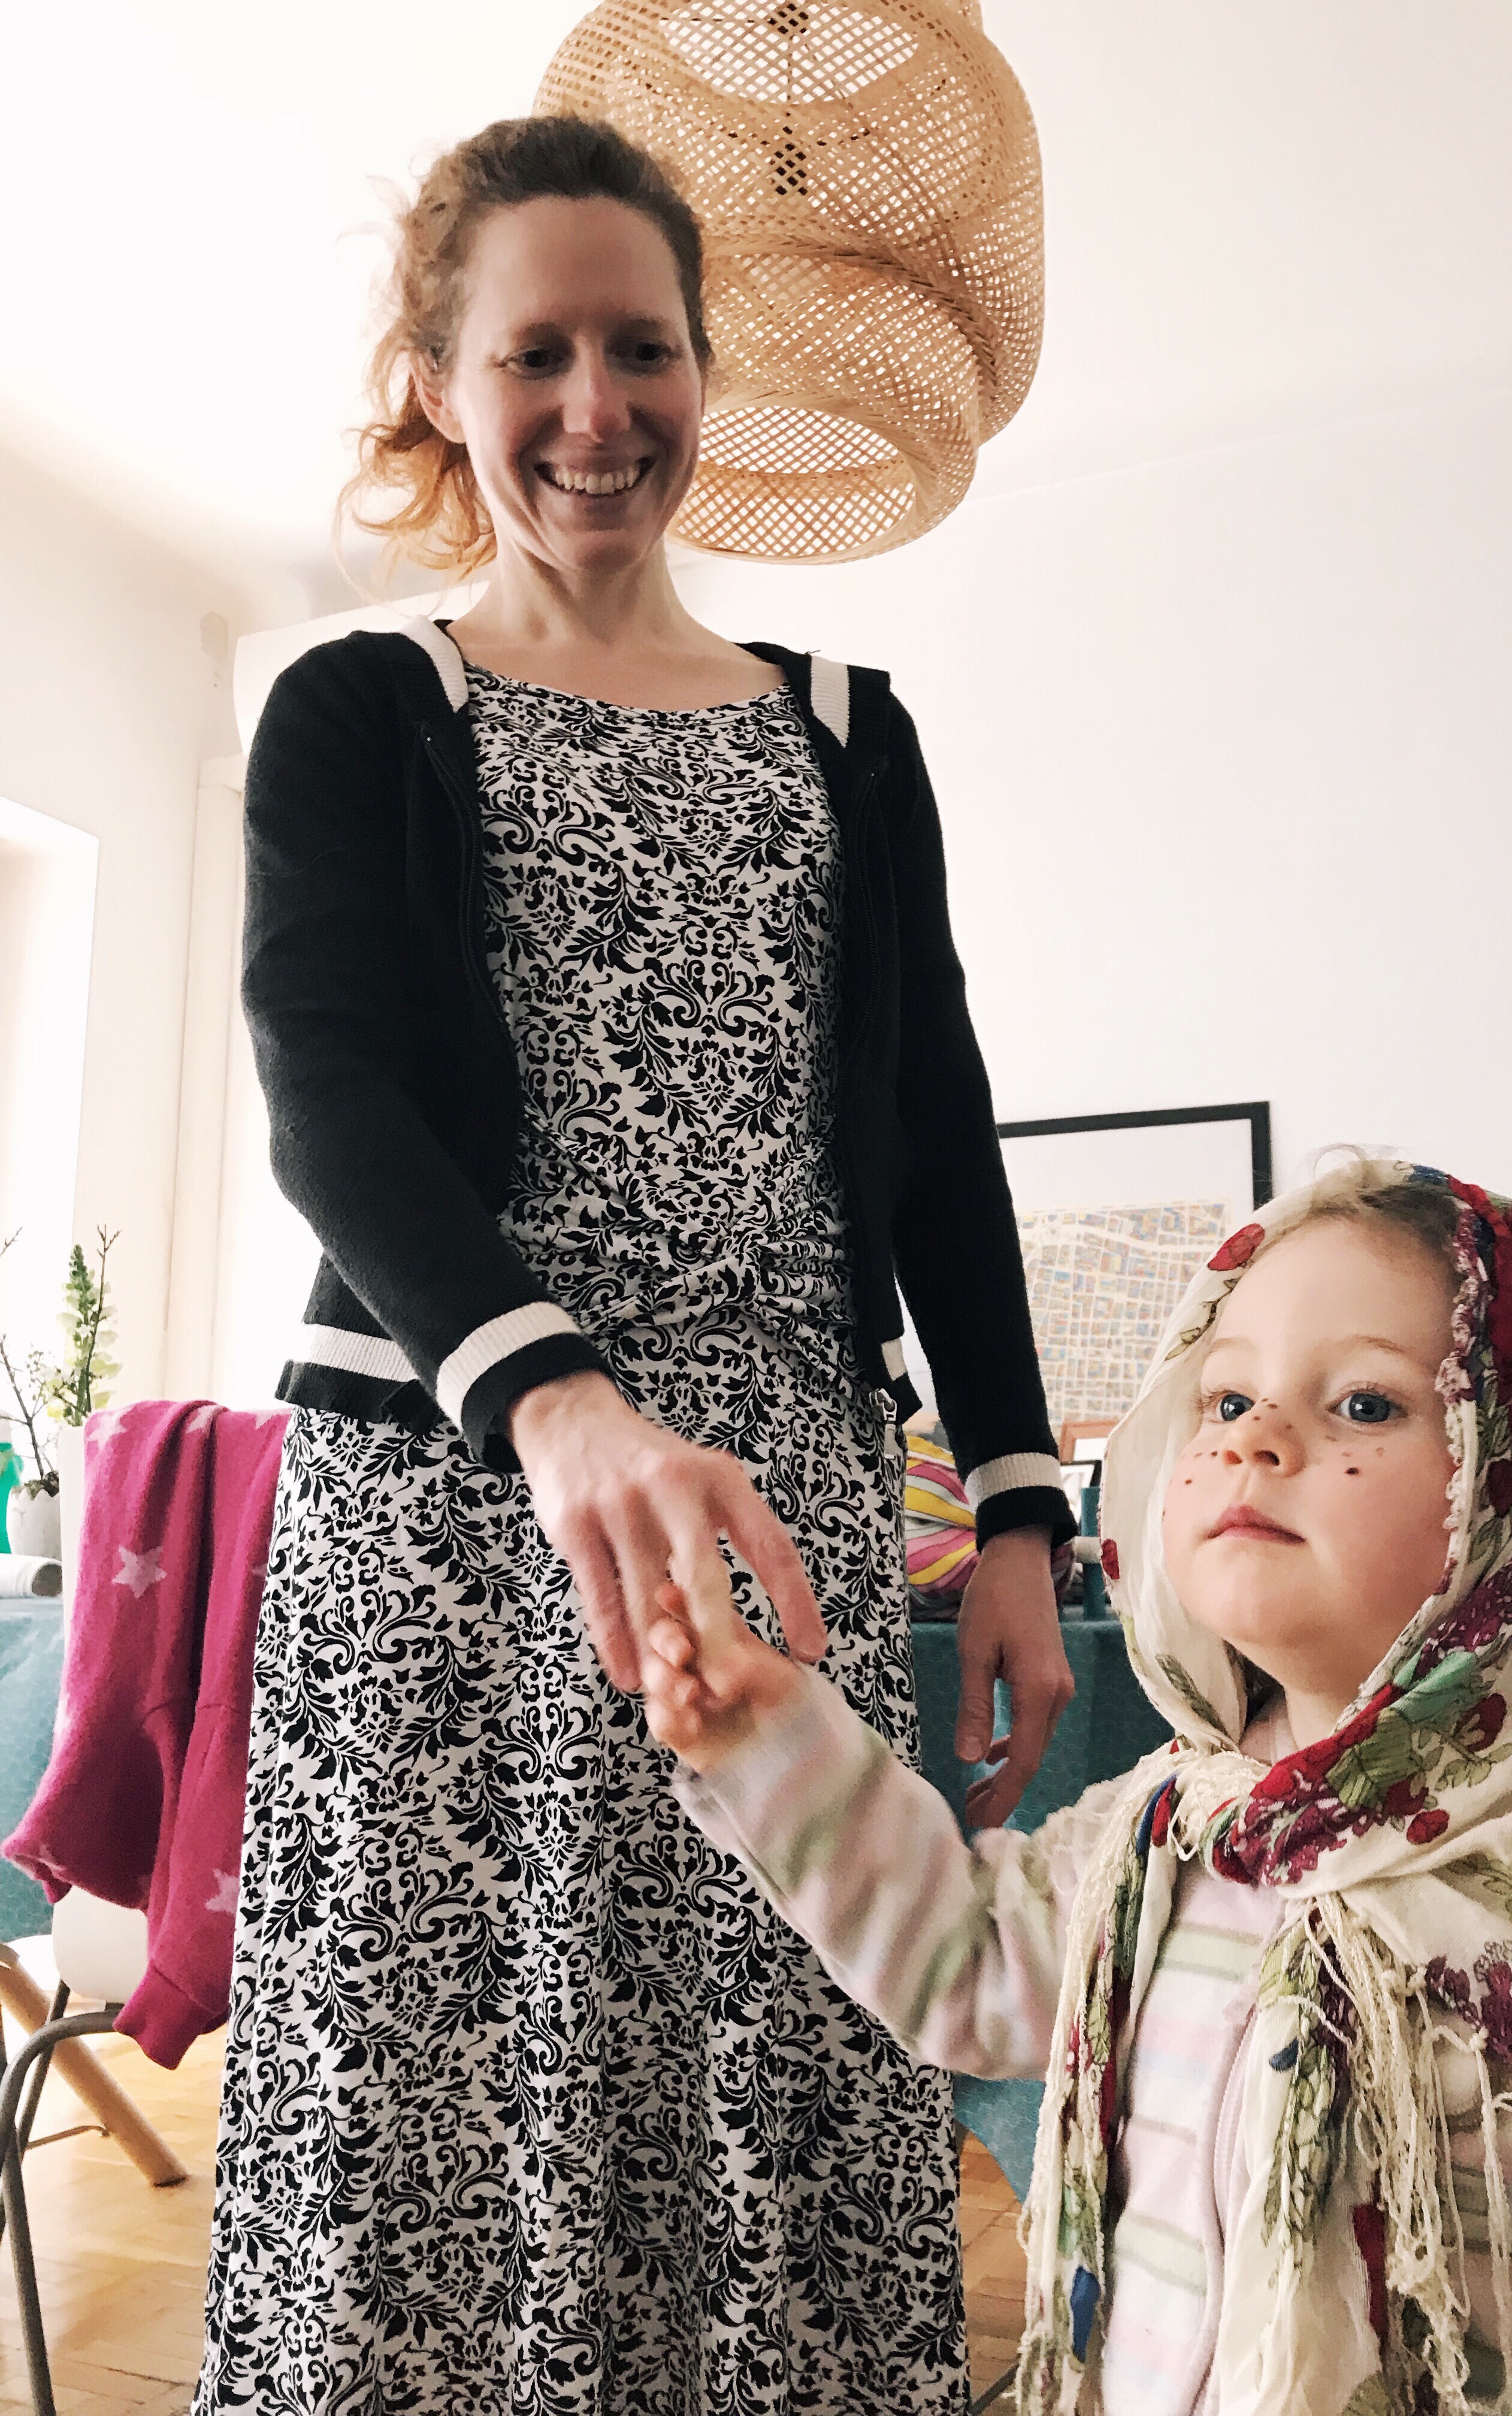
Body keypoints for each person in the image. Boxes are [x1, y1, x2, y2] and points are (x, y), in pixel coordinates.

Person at [200, 114, 1075, 2415]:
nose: (596, 406)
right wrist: (560, 1401)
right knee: (431, 2120)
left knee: (781, 2085)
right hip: (449, 1515)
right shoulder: (357, 712)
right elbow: (327, 1095)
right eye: (537, 354)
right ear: (440, 383)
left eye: (643, 348)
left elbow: (937, 1138)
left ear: (703, 367)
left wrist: (1015, 1504)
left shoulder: (848, 738)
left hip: (783, 1515)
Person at [646, 1156, 1512, 2414]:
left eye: (1364, 1403)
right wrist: (769, 1740)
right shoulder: (1169, 1825)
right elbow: (971, 1962)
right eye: (1229, 1396)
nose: (1256, 1438)